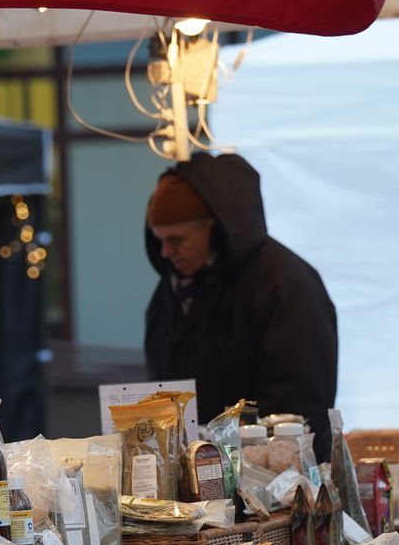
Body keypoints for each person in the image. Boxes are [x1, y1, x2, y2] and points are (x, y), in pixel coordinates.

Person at [143, 153, 338, 462]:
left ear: (215, 227)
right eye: (160, 241)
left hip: (272, 474)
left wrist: (252, 468)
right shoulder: (176, 290)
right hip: (201, 470)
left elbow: (298, 403)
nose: (166, 252)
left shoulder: (286, 285)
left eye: (177, 240)